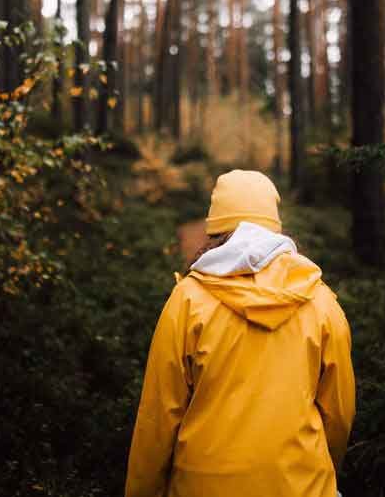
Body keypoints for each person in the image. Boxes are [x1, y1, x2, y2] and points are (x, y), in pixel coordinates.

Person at [125, 169, 355, 497]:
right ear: (275, 226)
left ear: (214, 230)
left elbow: (159, 416)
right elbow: (339, 414)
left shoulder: (188, 300)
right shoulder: (320, 302)